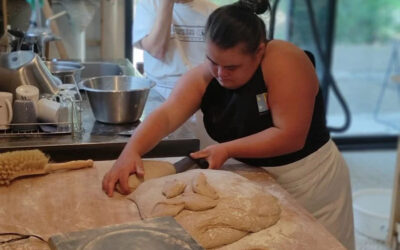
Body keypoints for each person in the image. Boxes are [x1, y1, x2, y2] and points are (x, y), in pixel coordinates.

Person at [104, 0, 355, 248]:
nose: (220, 73)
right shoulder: (206, 75)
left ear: (258, 52)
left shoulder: (285, 60)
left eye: (232, 66)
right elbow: (168, 114)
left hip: (309, 179)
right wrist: (131, 151)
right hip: (258, 178)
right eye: (213, 61)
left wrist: (227, 149)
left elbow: (290, 135)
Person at [133, 0, 217, 99]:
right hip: (159, 91)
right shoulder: (148, 5)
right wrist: (167, 4)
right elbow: (157, 50)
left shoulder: (212, 11)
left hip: (200, 90)